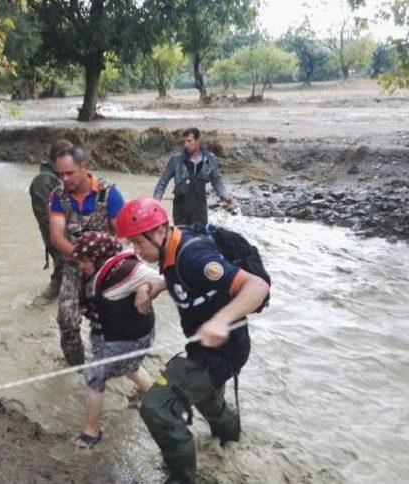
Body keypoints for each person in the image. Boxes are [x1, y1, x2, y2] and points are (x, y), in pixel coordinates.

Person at [115, 197, 269, 484]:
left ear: (160, 232)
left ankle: (181, 479)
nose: (135, 252)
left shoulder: (195, 257)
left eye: (138, 243)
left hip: (223, 350)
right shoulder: (171, 244)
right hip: (207, 345)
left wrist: (222, 321)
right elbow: (178, 275)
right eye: (131, 244)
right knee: (209, 402)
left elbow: (257, 287)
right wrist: (158, 286)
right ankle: (232, 440)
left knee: (156, 408)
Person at [71, 231, 162, 449]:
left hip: (131, 337)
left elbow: (165, 279)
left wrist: (144, 288)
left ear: (97, 257)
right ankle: (153, 393)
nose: (79, 266)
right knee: (130, 368)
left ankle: (91, 432)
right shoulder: (99, 268)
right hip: (118, 332)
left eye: (82, 261)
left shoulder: (127, 271)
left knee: (95, 375)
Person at [49, 146, 126, 366]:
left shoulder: (109, 193)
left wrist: (100, 259)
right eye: (60, 174)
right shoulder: (58, 196)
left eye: (69, 173)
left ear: (84, 168)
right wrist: (82, 259)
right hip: (75, 265)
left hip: (108, 268)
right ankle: (77, 370)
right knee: (67, 320)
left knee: (114, 324)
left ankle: (119, 367)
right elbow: (56, 235)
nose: (64, 179)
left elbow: (124, 236)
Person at [153, 128, 233, 230]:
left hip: (200, 210)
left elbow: (216, 180)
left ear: (197, 141)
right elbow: (162, 183)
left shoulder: (209, 159)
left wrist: (224, 195)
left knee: (201, 241)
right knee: (182, 241)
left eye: (189, 141)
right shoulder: (175, 160)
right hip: (180, 210)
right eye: (183, 142)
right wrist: (156, 202)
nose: (186, 145)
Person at [29, 139, 73, 302]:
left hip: (64, 234)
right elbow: (45, 218)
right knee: (63, 271)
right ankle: (38, 306)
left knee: (68, 273)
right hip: (56, 235)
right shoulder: (43, 181)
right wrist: (60, 241)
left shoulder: (56, 178)